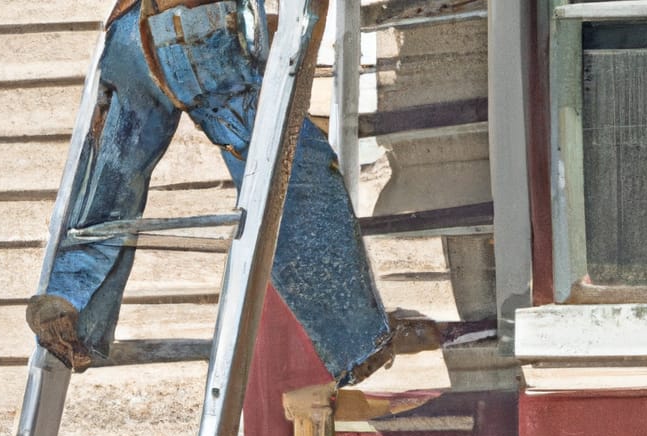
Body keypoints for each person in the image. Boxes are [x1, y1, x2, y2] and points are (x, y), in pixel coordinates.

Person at [26, 0, 395, 386]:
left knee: (114, 176)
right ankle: (357, 342)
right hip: (200, 34)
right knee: (293, 179)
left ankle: (74, 307)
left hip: (129, 35)